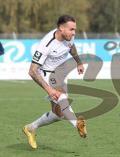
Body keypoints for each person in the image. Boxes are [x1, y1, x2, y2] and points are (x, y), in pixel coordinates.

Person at [23, 15, 87, 149]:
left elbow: (71, 46)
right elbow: (32, 71)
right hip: (46, 74)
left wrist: (79, 62)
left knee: (58, 114)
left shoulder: (69, 36)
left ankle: (30, 128)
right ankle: (77, 124)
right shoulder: (46, 44)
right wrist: (49, 90)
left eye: (75, 29)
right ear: (60, 28)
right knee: (62, 98)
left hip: (60, 74)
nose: (74, 32)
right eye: (71, 29)